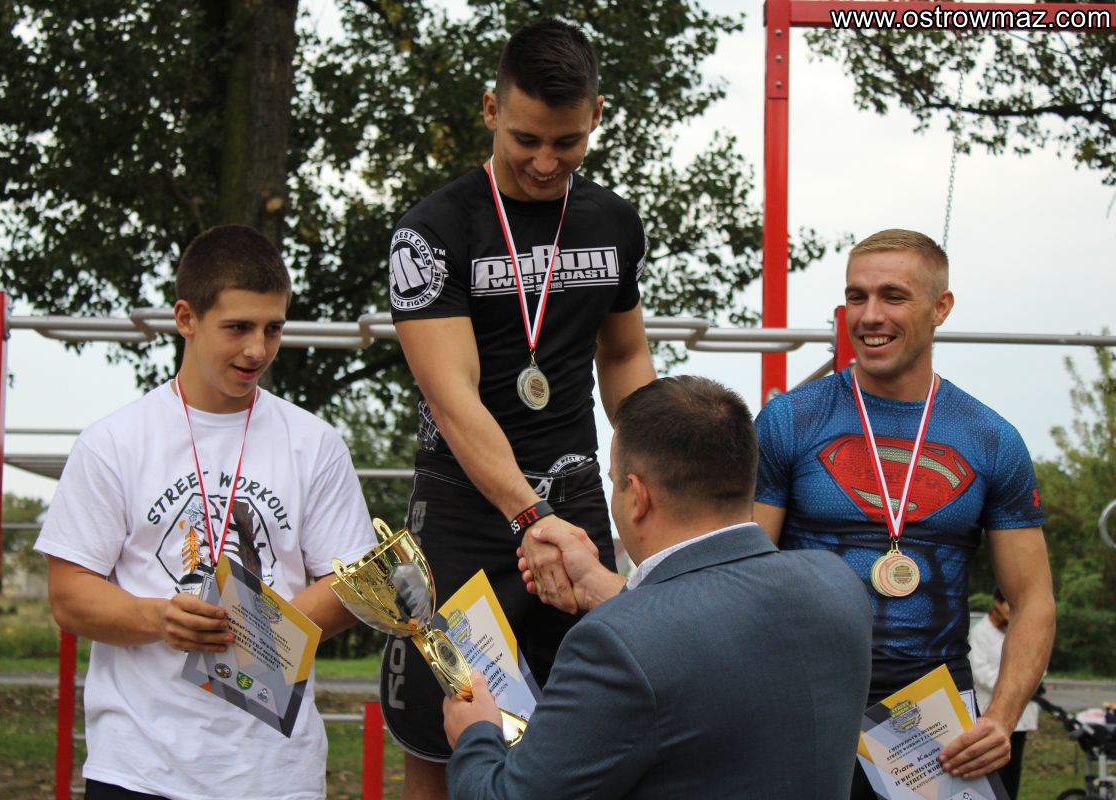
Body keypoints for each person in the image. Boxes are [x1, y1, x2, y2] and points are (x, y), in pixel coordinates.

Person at [385, 18, 655, 797]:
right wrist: (528, 517)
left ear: (596, 115)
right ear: (490, 109)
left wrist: (654, 478)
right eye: (526, 139)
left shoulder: (613, 222)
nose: (544, 162)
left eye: (567, 143)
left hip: (573, 503)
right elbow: (452, 398)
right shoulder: (431, 232)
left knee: (589, 734)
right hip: (469, 508)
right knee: (443, 730)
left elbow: (623, 357)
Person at [35, 224, 377, 800]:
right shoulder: (113, 442)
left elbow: (355, 584)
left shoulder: (314, 443)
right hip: (139, 768)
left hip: (275, 775)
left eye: (273, 328)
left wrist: (257, 632)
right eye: (238, 327)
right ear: (186, 318)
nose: (258, 349)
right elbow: (68, 596)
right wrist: (159, 618)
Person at [441, 375, 873, 799]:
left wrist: (475, 735)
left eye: (614, 481)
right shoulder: (837, 586)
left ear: (637, 496)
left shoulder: (612, 644)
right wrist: (605, 589)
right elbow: (709, 633)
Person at [753, 229, 1056, 795]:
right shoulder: (789, 420)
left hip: (933, 716)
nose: (870, 316)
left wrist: (1001, 718)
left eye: (893, 296)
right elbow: (740, 573)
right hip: (804, 697)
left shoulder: (991, 438)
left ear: (941, 307)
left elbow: (1033, 599)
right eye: (857, 296)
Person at [970, 589, 1041, 798]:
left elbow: (1037, 662)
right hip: (991, 710)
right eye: (1007, 604)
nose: (1010, 609)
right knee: (992, 772)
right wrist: (1015, 681)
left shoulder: (1022, 629)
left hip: (1019, 715)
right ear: (997, 603)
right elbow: (980, 671)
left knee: (1012, 771)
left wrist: (1025, 681)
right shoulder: (981, 631)